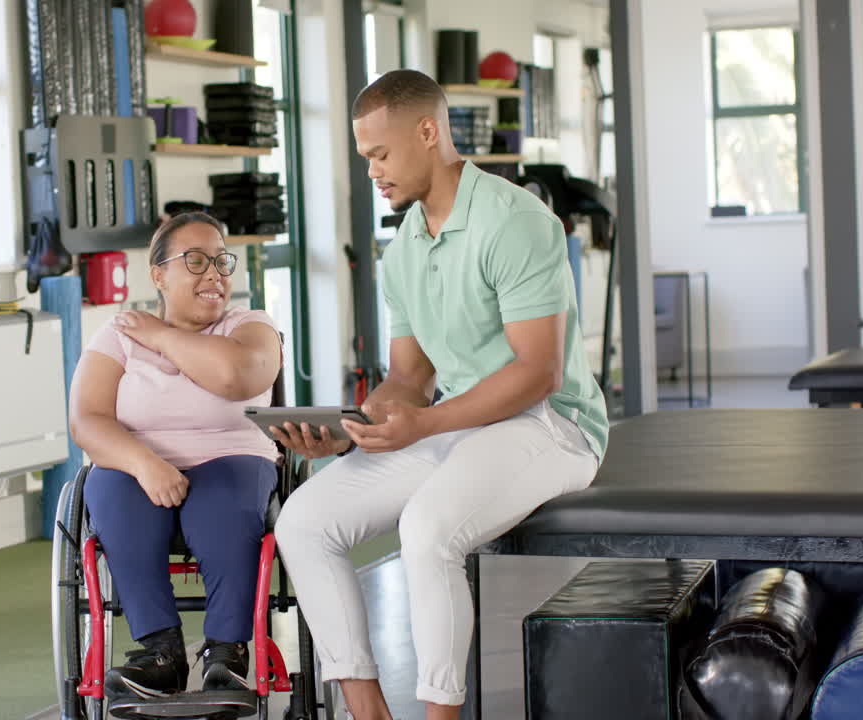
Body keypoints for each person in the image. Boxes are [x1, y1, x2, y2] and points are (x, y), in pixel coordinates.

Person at [271, 69, 609, 720]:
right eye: (364, 157)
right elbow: (409, 380)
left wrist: (421, 426)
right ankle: (369, 712)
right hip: (460, 427)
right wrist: (350, 429)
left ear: (428, 132)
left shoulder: (514, 221)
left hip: (551, 426)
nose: (373, 171)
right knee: (305, 522)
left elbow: (537, 371)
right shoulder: (403, 254)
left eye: (380, 154)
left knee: (427, 528)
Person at [68, 212, 283, 701]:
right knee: (110, 489)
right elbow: (88, 419)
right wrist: (145, 463)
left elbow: (237, 377)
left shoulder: (250, 326)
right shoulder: (118, 335)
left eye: (222, 261)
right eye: (196, 261)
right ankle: (160, 654)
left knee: (227, 502)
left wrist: (162, 336)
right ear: (159, 273)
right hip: (138, 465)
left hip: (230, 457)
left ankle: (227, 654)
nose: (215, 273)